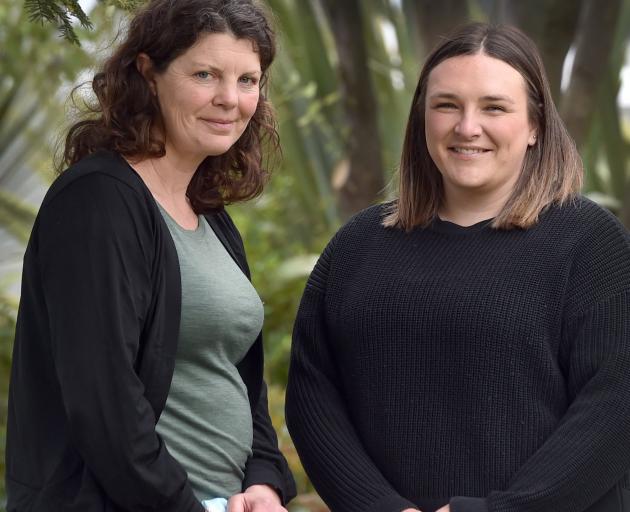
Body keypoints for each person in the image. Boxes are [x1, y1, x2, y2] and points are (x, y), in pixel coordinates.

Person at [285, 22, 630, 512]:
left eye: (494, 107)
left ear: (534, 126)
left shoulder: (589, 242)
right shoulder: (359, 246)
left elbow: (614, 408)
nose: (467, 127)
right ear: (422, 118)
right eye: (447, 105)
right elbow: (313, 394)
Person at [5, 1, 296, 511]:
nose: (230, 99)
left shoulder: (210, 215)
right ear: (149, 73)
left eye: (248, 80)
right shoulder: (97, 200)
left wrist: (266, 479)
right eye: (205, 74)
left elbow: (239, 379)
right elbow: (103, 404)